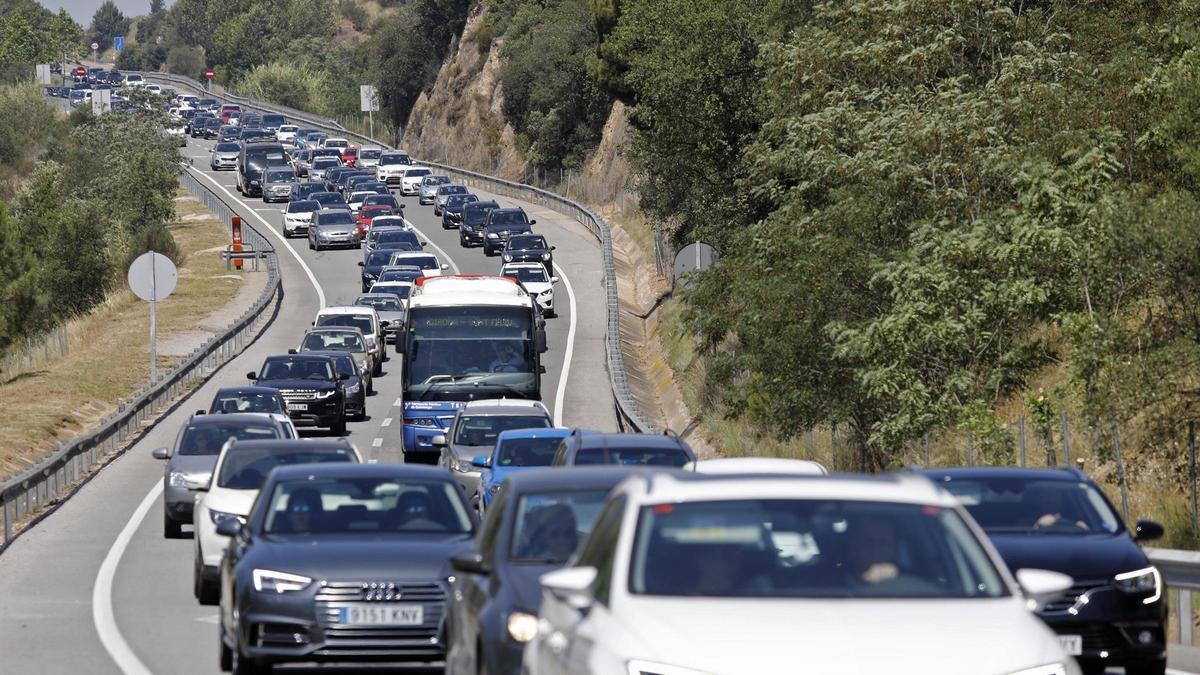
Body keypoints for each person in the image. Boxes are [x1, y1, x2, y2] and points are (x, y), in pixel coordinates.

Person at [847, 517, 901, 585]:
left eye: (882, 543)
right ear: (855, 546)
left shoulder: (907, 585)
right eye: (868, 542)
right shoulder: (833, 583)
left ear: (894, 549)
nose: (875, 549)